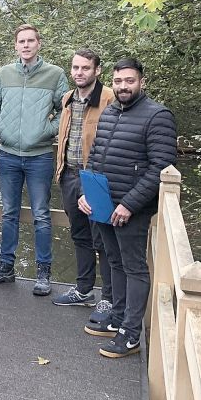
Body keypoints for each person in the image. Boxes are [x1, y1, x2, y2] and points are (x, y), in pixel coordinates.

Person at [78, 58, 177, 358]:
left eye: (129, 81)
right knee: (114, 261)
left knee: (134, 267)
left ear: (141, 81)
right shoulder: (109, 112)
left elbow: (161, 166)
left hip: (131, 209)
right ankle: (118, 319)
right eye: (119, 81)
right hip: (105, 204)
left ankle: (131, 334)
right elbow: (95, 157)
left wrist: (130, 205)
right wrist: (88, 194)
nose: (123, 87)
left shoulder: (158, 116)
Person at [0, 24, 68, 296]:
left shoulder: (55, 74)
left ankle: (43, 273)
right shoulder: (4, 73)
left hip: (39, 156)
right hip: (8, 155)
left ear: (39, 44)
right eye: (21, 41)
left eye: (31, 40)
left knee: (41, 214)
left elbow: (66, 111)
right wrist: (2, 128)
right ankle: (6, 267)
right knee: (8, 213)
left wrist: (46, 132)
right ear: (16, 45)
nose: (26, 45)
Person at [51, 49, 114, 319]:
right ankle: (84, 290)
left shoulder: (109, 98)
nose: (79, 72)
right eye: (75, 68)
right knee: (79, 234)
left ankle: (109, 299)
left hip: (96, 178)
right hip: (70, 175)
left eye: (85, 68)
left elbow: (112, 141)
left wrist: (96, 184)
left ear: (97, 70)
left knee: (104, 239)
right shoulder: (68, 98)